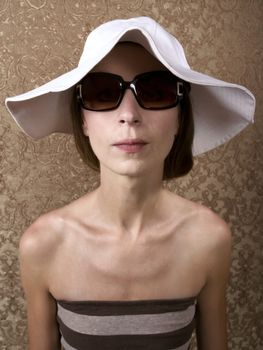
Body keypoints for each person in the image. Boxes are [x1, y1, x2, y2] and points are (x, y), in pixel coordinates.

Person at [5, 16, 255, 350]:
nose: (129, 114)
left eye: (155, 91)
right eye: (102, 93)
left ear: (181, 116)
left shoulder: (209, 239)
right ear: (82, 118)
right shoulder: (43, 244)